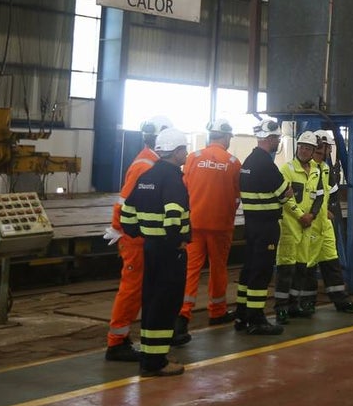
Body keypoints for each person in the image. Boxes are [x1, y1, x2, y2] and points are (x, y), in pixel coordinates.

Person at [119, 127, 191, 377]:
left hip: (150, 247)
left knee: (151, 302)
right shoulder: (173, 180)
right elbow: (173, 217)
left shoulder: (146, 176)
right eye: (184, 149)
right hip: (169, 252)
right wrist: (177, 242)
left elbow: (127, 217)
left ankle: (150, 355)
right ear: (177, 152)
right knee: (166, 304)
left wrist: (145, 233)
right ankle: (157, 362)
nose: (186, 153)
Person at [104, 117, 173, 363]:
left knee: (138, 289)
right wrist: (118, 229)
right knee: (131, 289)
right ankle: (116, 343)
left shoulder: (149, 161)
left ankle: (122, 338)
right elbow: (124, 201)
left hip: (139, 237)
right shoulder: (146, 166)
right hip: (135, 239)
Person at [175, 118, 242, 344]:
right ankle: (217, 311)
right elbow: (236, 197)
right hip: (220, 226)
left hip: (194, 224)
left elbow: (183, 188)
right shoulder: (233, 162)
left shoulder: (192, 158)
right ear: (224, 137)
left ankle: (182, 317)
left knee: (191, 270)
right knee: (218, 268)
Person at [233, 119, 288, 335]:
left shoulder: (248, 162)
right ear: (271, 138)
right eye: (277, 139)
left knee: (248, 270)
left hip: (252, 225)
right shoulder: (266, 165)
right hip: (266, 226)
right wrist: (284, 195)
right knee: (261, 272)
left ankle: (242, 315)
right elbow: (285, 194)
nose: (278, 142)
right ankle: (257, 319)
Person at [306, 131, 353, 314]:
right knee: (308, 265)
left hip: (325, 227)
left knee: (332, 263)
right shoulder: (308, 169)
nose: (326, 153)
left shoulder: (325, 168)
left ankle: (341, 301)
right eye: (322, 150)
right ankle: (307, 302)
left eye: (327, 150)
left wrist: (329, 208)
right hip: (311, 225)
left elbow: (333, 192)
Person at [275, 131, 324, 322]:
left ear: (313, 151)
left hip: (306, 227)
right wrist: (300, 215)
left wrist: (311, 215)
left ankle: (294, 305)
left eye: (308, 148)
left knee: (301, 268)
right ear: (297, 148)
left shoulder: (316, 171)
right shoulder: (287, 170)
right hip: (289, 227)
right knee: (285, 270)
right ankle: (280, 309)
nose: (304, 151)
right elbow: (285, 198)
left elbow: (320, 195)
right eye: (302, 147)